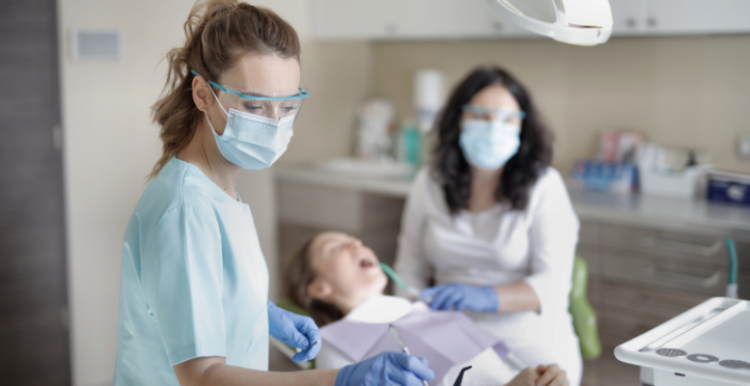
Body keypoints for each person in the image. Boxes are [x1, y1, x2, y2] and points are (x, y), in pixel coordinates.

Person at [113, 1, 434, 385]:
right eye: (253, 105)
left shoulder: (220, 190)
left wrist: (259, 312)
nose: (273, 123)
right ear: (201, 94)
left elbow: (200, 290)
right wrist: (340, 380)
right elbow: (203, 378)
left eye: (286, 106)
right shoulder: (187, 209)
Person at [394, 67, 582, 385]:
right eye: (481, 116)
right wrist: (412, 321)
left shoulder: (544, 186)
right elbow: (408, 270)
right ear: (458, 120)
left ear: (523, 125)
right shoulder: (429, 183)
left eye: (507, 118)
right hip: (449, 334)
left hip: (527, 336)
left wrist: (483, 297)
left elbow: (552, 285)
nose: (494, 127)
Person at [284, 231, 570, 386]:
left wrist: (545, 379)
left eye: (356, 240)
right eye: (336, 248)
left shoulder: (427, 310)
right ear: (319, 288)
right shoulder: (334, 343)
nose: (356, 244)